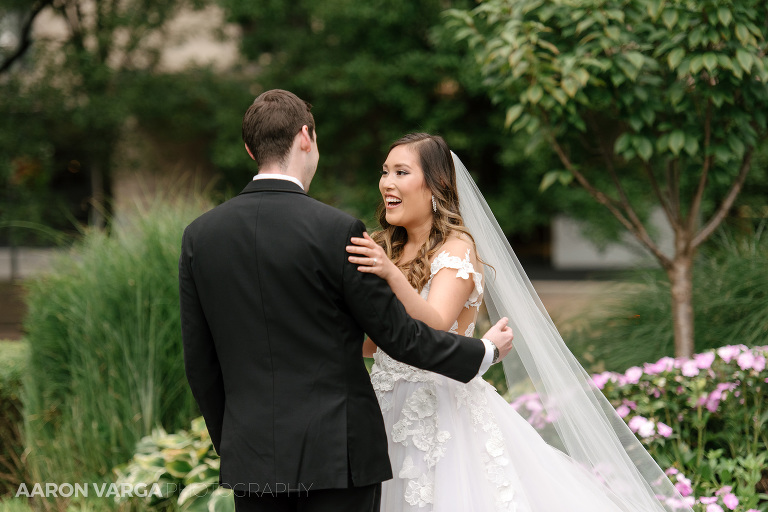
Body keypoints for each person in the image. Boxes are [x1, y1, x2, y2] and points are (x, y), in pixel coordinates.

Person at [178, 91, 515, 512]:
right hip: (339, 454)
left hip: (253, 457)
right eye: (386, 171)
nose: (387, 182)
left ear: (249, 149)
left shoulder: (199, 236)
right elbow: (399, 338)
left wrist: (233, 442)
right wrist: (483, 352)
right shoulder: (337, 231)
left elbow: (200, 361)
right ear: (306, 137)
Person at [347, 133, 693, 511]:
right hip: (385, 409)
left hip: (441, 418)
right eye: (384, 172)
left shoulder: (456, 248)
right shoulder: (387, 248)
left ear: (435, 185)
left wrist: (389, 274)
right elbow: (378, 341)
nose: (387, 183)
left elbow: (435, 324)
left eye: (401, 172)